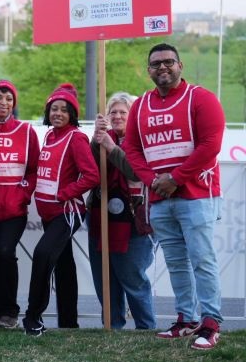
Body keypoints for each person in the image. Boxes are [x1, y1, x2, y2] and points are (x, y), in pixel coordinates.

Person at [123, 43, 225, 350]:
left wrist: (175, 179)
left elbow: (210, 145)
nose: (162, 67)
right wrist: (153, 180)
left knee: (202, 260)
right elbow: (131, 148)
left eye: (169, 62)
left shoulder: (201, 98)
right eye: (156, 64)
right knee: (177, 262)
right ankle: (186, 319)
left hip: (196, 195)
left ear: (180, 65)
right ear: (148, 70)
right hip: (160, 198)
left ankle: (210, 323)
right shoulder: (140, 106)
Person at [23, 83, 99, 337]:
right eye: (53, 109)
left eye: (64, 110)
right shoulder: (50, 136)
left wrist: (64, 194)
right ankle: (69, 322)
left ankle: (32, 317)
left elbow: (91, 176)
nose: (57, 113)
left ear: (72, 115)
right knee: (64, 265)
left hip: (67, 212)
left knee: (43, 255)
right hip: (48, 214)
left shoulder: (76, 137)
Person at [88, 92, 155, 330]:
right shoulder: (103, 138)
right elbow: (92, 166)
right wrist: (97, 140)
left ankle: (146, 328)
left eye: (122, 112)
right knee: (104, 277)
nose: (117, 116)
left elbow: (135, 171)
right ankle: (112, 326)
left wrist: (111, 146)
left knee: (132, 276)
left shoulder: (144, 139)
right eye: (113, 112)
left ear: (134, 114)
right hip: (100, 214)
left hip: (133, 218)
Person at [0, 80, 39, 329]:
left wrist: (23, 193)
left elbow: (34, 169)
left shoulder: (26, 131)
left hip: (14, 211)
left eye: (9, 98)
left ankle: (10, 311)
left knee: (4, 253)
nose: (4, 103)